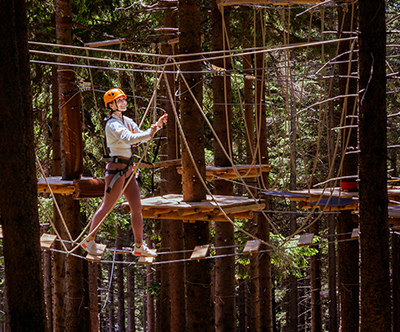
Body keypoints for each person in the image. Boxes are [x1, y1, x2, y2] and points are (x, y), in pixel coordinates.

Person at [82, 88, 167, 257]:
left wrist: (156, 127)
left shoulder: (126, 121)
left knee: (137, 207)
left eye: (124, 100)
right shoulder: (112, 124)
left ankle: (139, 246)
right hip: (116, 171)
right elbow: (130, 138)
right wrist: (150, 132)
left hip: (127, 169)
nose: (124, 103)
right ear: (111, 105)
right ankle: (88, 240)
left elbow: (140, 135)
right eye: (120, 101)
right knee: (107, 206)